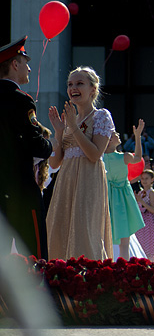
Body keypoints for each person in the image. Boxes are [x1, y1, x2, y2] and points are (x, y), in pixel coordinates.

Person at [46, 67, 115, 260]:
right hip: (66, 181)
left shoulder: (101, 116)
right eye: (70, 84)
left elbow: (94, 154)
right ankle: (60, 278)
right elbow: (54, 162)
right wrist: (59, 133)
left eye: (79, 83)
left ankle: (88, 280)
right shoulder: (70, 119)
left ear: (93, 89)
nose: (73, 88)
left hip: (88, 180)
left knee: (85, 229)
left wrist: (74, 128)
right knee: (60, 227)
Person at [0, 36, 51, 258]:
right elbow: (37, 147)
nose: (29, 68)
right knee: (35, 258)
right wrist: (49, 144)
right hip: (20, 191)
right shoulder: (21, 100)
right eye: (25, 61)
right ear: (14, 64)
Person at [103, 121, 147, 261]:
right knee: (124, 240)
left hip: (107, 197)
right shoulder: (124, 156)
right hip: (122, 198)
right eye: (115, 134)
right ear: (109, 140)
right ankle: (124, 267)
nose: (118, 135)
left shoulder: (100, 158)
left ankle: (106, 265)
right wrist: (137, 137)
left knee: (106, 237)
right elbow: (139, 158)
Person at [135, 170, 154, 261]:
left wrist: (141, 202)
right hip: (142, 223)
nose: (144, 181)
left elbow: (152, 209)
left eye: (146, 178)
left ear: (152, 180)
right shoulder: (141, 192)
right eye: (142, 179)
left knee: (151, 244)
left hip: (150, 223)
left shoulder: (151, 192)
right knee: (142, 243)